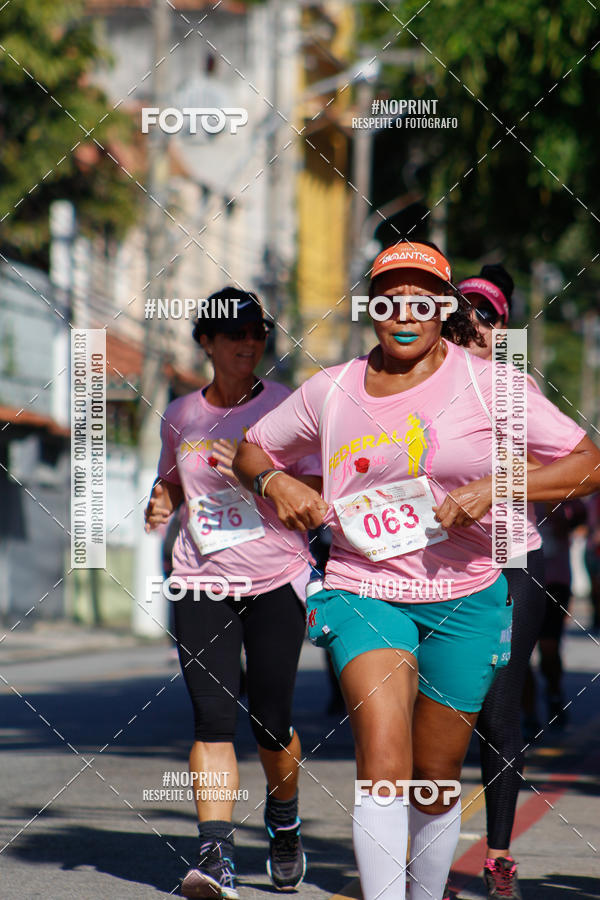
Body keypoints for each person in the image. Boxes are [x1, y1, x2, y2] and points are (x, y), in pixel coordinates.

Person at [233, 241, 600, 900]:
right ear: (371, 309)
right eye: (388, 301)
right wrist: (274, 484)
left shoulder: (491, 385)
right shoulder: (331, 389)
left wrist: (497, 486)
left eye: (422, 302)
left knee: (434, 778)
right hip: (363, 588)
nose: (404, 314)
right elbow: (252, 447)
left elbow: (588, 462)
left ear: (443, 309)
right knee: (382, 761)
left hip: (467, 595)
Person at [144, 287, 320, 898]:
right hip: (201, 579)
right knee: (213, 719)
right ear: (207, 341)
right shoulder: (180, 413)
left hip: (275, 579)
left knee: (271, 722)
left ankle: (284, 817)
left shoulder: (287, 406)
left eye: (257, 332)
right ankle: (215, 854)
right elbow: (173, 479)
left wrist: (257, 475)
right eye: (234, 332)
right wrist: (161, 499)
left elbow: (317, 494)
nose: (249, 341)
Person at [457, 265, 546, 899]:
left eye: (486, 317)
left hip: (510, 559)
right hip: (429, 567)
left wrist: (498, 483)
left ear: (502, 331)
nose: (473, 324)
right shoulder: (413, 385)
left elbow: (571, 466)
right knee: (431, 712)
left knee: (497, 710)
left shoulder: (516, 389)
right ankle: (425, 859)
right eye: (462, 313)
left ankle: (497, 857)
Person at [534, 498, 587, 728]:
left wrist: (562, 519)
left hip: (555, 580)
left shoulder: (564, 494)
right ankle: (526, 714)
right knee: (515, 654)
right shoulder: (513, 486)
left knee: (549, 646)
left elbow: (581, 516)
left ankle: (554, 692)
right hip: (519, 576)